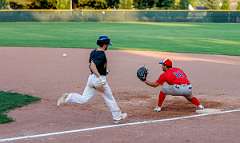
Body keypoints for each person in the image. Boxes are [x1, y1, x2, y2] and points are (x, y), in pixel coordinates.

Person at [57, 35, 127, 123]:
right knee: (109, 97)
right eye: (108, 44)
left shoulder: (93, 51)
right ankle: (117, 117)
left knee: (84, 98)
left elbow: (93, 65)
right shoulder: (101, 55)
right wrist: (100, 77)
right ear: (104, 45)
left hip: (91, 79)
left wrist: (104, 71)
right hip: (98, 80)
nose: (108, 46)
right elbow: (92, 66)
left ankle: (69, 97)